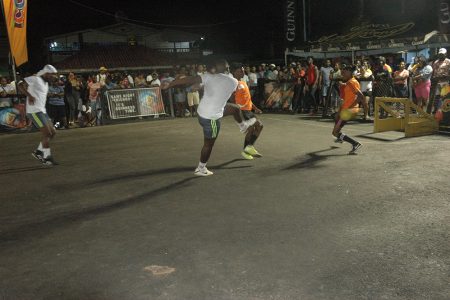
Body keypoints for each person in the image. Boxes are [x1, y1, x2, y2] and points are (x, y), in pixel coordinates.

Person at [161, 58, 256, 176]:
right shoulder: (233, 82)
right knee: (208, 144)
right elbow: (226, 88)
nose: (227, 68)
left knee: (234, 108)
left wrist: (170, 84)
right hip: (211, 119)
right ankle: (201, 168)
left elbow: (189, 79)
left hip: (202, 113)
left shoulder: (208, 77)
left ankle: (242, 126)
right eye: (226, 67)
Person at [17, 65, 58, 165]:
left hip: (42, 111)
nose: (54, 77)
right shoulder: (35, 79)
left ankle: (38, 152)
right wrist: (29, 96)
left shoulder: (46, 83)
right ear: (46, 73)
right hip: (34, 111)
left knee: (52, 132)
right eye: (52, 75)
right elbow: (20, 84)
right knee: (47, 133)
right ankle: (46, 157)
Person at [232, 64, 264, 160]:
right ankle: (248, 148)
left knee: (257, 127)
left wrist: (255, 108)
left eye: (243, 70)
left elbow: (248, 99)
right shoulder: (233, 83)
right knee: (254, 127)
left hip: (248, 110)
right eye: (240, 71)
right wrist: (236, 110)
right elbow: (231, 98)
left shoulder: (243, 82)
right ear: (234, 72)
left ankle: (247, 149)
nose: (243, 72)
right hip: (242, 111)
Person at [332, 65, 363, 155]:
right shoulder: (349, 82)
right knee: (335, 119)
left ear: (350, 72)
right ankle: (340, 137)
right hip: (345, 110)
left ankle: (355, 143)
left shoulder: (351, 82)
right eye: (343, 72)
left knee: (335, 132)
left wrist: (350, 107)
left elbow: (360, 96)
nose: (343, 74)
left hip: (348, 111)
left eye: (345, 72)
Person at [431, 48, 450, 113]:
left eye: (442, 54)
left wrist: (447, 76)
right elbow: (433, 73)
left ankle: (445, 112)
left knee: (445, 97)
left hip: (446, 82)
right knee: (437, 97)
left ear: (445, 54)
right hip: (437, 82)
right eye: (440, 54)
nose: (441, 55)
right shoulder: (436, 62)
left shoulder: (448, 61)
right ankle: (436, 111)